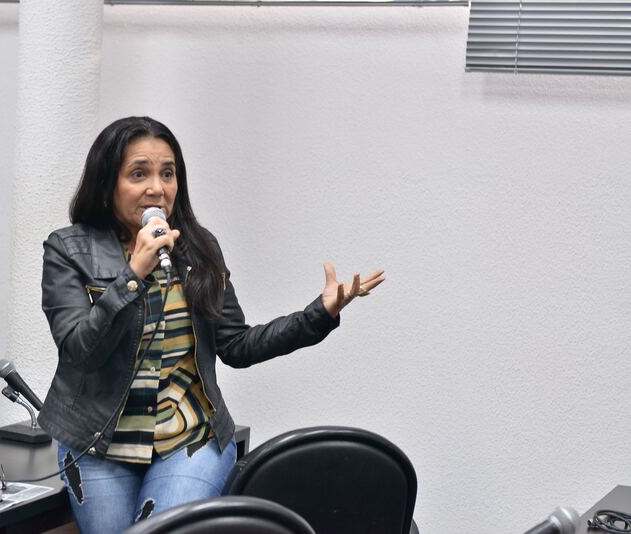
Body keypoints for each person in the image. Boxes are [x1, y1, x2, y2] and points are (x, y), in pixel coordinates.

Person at [37, 116, 385, 533]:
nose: (157, 188)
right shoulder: (68, 250)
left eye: (168, 174)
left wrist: (319, 314)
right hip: (98, 444)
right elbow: (80, 352)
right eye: (139, 174)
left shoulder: (199, 248)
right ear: (106, 183)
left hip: (190, 439)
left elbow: (237, 345)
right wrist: (133, 275)